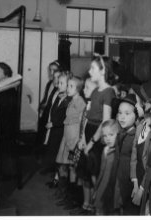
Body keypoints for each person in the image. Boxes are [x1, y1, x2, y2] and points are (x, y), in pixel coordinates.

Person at [55, 76, 86, 204]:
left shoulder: (80, 102)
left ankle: (73, 198)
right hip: (66, 136)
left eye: (71, 86)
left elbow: (82, 121)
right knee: (64, 165)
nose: (68, 88)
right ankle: (65, 193)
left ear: (78, 89)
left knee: (73, 167)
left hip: (73, 138)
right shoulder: (71, 100)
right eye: (67, 85)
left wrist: (79, 139)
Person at [84, 55, 116, 179]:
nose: (89, 71)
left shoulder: (108, 92)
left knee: (96, 173)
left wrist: (92, 142)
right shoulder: (96, 91)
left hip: (98, 135)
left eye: (93, 68)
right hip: (90, 131)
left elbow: (105, 121)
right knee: (89, 172)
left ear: (103, 71)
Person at [71, 77, 98, 215]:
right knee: (85, 177)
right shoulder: (87, 104)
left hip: (92, 148)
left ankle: (93, 207)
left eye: (88, 87)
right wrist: (81, 139)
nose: (84, 90)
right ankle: (85, 204)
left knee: (92, 177)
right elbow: (83, 124)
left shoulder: (97, 108)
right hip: (83, 145)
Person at [113, 94, 140, 215]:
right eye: (120, 113)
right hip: (120, 176)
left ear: (137, 116)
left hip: (130, 179)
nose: (122, 117)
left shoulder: (136, 136)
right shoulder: (120, 132)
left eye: (127, 114)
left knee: (130, 208)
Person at [42, 71, 72, 178]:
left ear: (69, 85)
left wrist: (54, 123)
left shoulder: (69, 100)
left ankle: (59, 179)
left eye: (61, 83)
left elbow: (66, 118)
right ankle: (56, 178)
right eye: (58, 83)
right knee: (55, 155)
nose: (58, 85)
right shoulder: (59, 96)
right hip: (54, 132)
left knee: (61, 157)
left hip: (61, 132)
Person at [93, 119, 120, 215]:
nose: (107, 138)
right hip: (102, 187)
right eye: (105, 136)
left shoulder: (118, 153)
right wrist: (96, 188)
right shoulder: (105, 150)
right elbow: (101, 172)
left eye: (111, 135)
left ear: (118, 134)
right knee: (99, 211)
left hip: (112, 191)